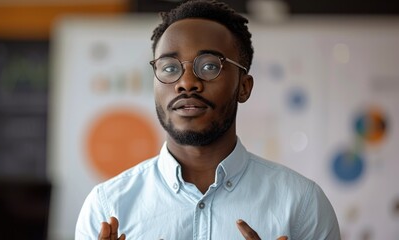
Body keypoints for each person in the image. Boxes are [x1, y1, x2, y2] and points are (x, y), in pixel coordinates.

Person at [76, 0, 341, 239]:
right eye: (169, 68)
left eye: (210, 66)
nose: (187, 83)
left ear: (244, 87)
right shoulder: (106, 207)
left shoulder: (303, 204)